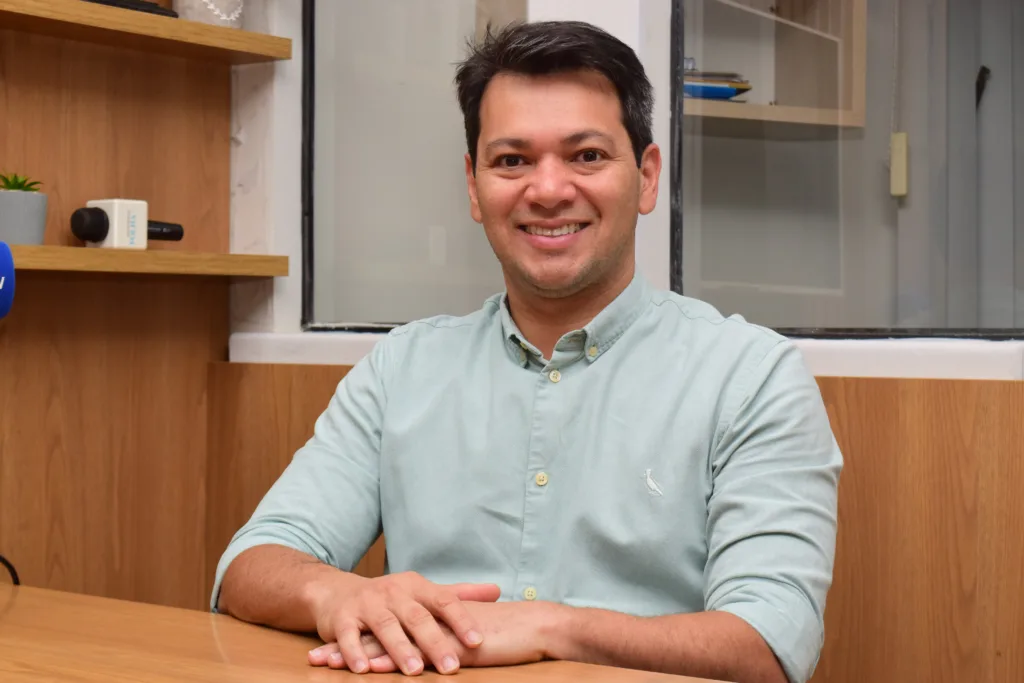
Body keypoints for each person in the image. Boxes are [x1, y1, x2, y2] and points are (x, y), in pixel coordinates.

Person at [211, 19, 842, 683]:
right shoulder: (402, 369)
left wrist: (550, 626)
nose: (546, 190)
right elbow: (249, 566)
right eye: (512, 160)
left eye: (586, 156)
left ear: (647, 176)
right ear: (474, 185)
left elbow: (768, 643)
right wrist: (339, 593)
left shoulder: (750, 377)